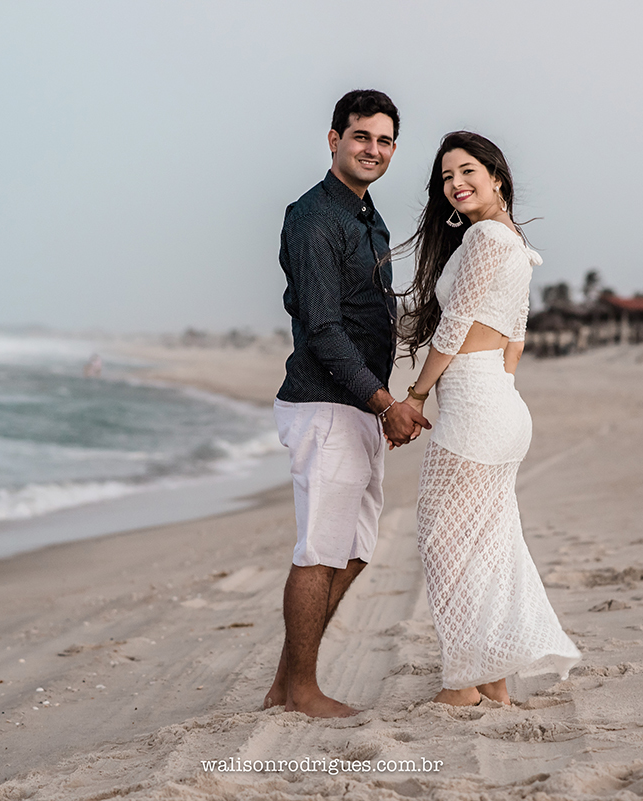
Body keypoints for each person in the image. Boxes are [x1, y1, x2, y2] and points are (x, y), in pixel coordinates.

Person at [396, 131, 581, 706]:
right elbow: (516, 340)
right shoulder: (515, 243)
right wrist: (493, 390)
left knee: (442, 540)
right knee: (486, 545)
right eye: (447, 177)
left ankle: (462, 685)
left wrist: (417, 395)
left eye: (468, 170)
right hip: (501, 403)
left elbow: (454, 328)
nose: (456, 184)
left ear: (497, 175)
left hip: (477, 403)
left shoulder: (482, 237)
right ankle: (493, 681)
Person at [263, 89, 430, 718]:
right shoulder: (311, 217)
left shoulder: (370, 217)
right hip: (324, 403)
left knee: (354, 548)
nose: (373, 150)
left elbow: (372, 317)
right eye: (362, 136)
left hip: (359, 405)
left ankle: (286, 682)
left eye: (385, 140)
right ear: (334, 139)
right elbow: (323, 326)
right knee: (319, 550)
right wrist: (386, 402)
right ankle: (301, 690)